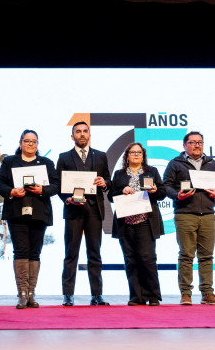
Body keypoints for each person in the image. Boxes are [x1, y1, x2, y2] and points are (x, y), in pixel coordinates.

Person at [0, 129, 59, 309]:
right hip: (16, 212)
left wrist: (43, 190)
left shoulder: (46, 163)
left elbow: (56, 185)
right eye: (27, 141)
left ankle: (32, 293)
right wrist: (11, 191)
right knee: (21, 251)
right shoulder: (9, 161)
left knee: (35, 253)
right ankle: (22, 293)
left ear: (37, 144)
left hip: (39, 212)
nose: (30, 144)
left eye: (34, 141)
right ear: (20, 142)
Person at [57, 121, 111, 306]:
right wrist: (67, 198)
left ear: (89, 135)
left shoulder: (101, 156)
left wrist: (104, 183)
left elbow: (108, 181)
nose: (81, 134)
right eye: (78, 132)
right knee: (71, 254)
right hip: (73, 209)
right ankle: (68, 294)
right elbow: (59, 185)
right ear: (72, 136)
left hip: (95, 210)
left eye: (85, 131)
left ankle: (97, 294)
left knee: (94, 253)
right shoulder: (64, 157)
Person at [108, 142, 166, 306]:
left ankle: (153, 296)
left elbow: (162, 193)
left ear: (143, 155)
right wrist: (121, 191)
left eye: (139, 152)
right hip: (125, 222)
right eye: (132, 152)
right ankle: (136, 296)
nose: (136, 155)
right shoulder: (119, 174)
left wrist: (155, 191)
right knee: (131, 260)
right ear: (126, 156)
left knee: (147, 258)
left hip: (145, 221)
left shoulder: (152, 171)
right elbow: (111, 196)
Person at [163, 131, 215, 305]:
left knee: (207, 256)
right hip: (185, 214)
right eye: (193, 142)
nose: (197, 145)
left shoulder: (212, 163)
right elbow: (166, 187)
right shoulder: (175, 164)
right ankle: (186, 293)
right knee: (186, 255)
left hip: (208, 214)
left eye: (200, 142)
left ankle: (207, 292)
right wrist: (177, 195)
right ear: (184, 145)